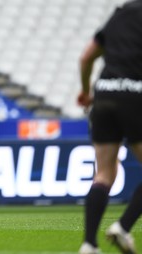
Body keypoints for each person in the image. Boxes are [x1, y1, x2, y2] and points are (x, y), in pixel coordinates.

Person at [77, 0, 142, 253]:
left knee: (103, 174)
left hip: (104, 93)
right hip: (134, 93)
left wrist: (85, 92)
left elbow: (86, 57)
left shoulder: (120, 14)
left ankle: (89, 243)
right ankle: (123, 228)